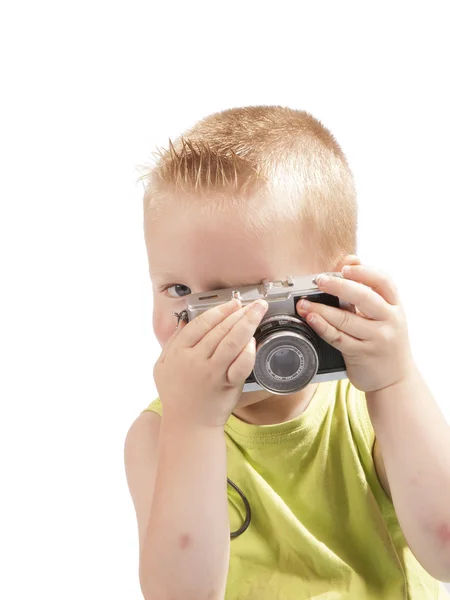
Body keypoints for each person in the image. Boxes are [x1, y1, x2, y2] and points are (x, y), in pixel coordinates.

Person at [124, 105, 450, 599]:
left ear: (333, 290)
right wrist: (194, 426)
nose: (201, 323)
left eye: (244, 294)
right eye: (177, 290)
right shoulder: (160, 433)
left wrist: (395, 381)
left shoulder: (368, 408)